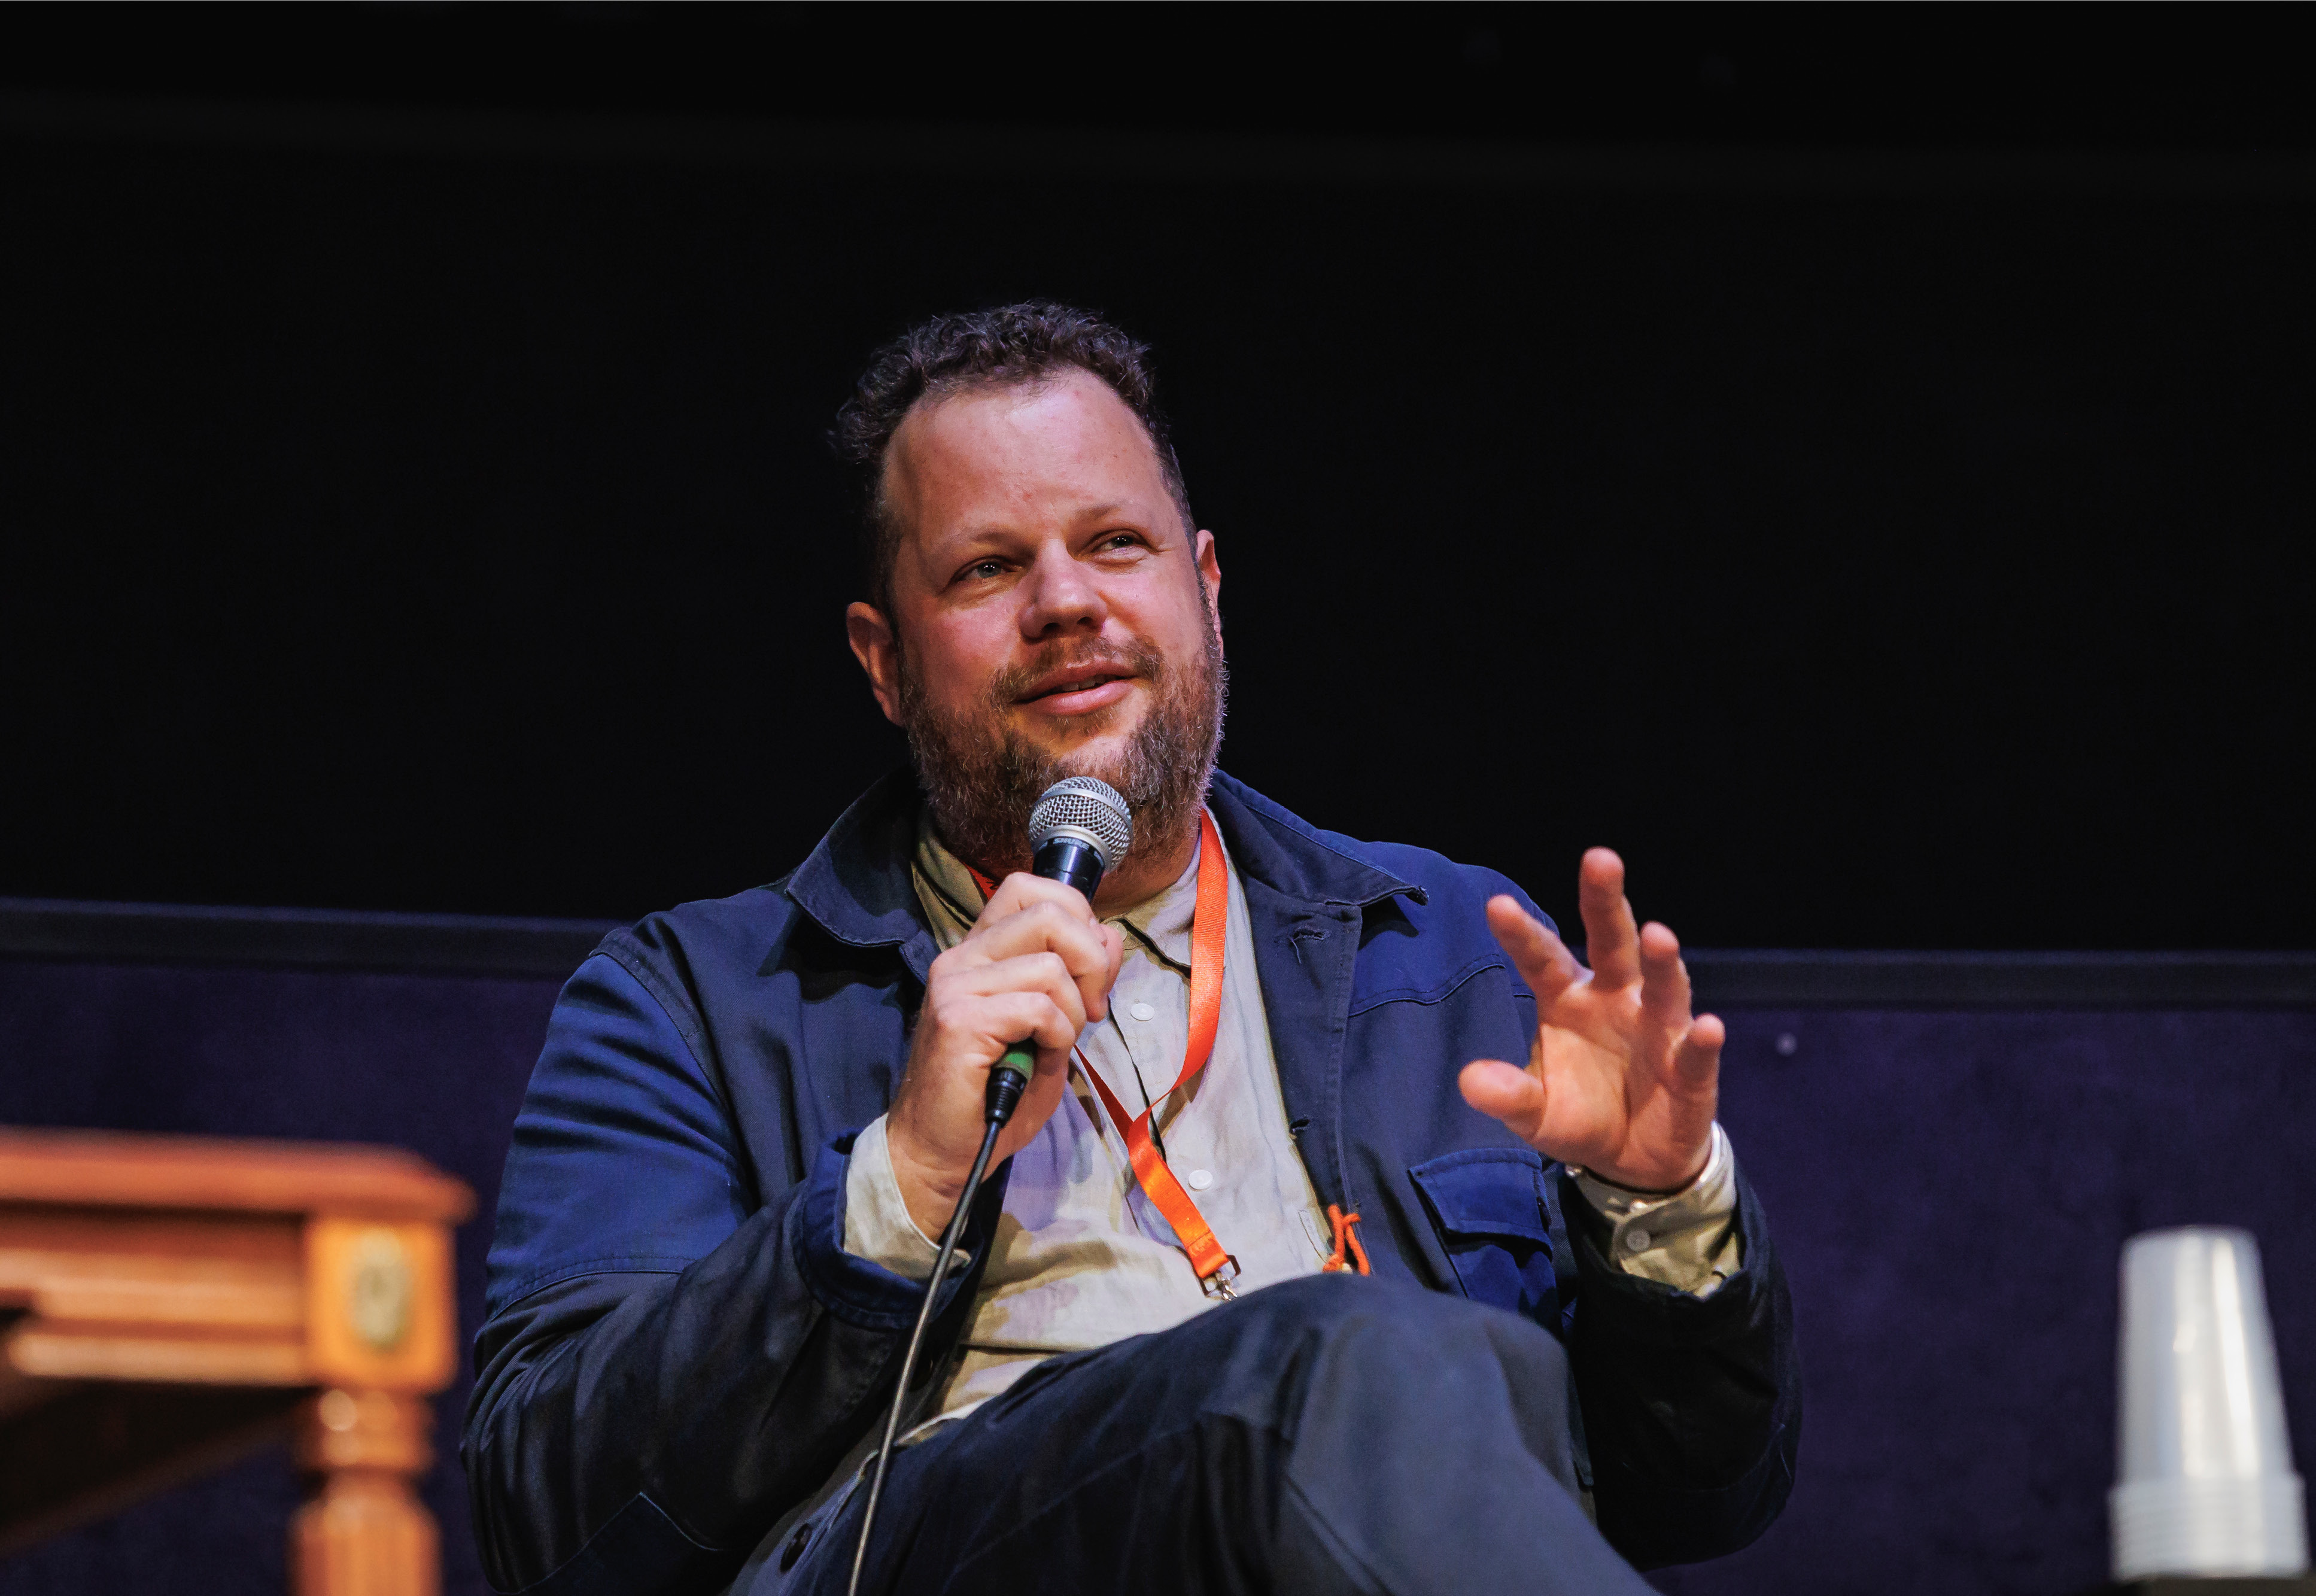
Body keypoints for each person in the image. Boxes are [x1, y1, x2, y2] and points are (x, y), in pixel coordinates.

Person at [463, 303, 1800, 1596]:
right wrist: (899, 1182)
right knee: (1330, 1364)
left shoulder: (1453, 952)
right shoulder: (690, 1004)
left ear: (1204, 588)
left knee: (1400, 1375)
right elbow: (548, 1517)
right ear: (883, 662)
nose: (1064, 601)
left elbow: (1699, 1496)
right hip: (956, 1539)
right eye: (987, 568)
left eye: (1114, 543)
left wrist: (1658, 1211)